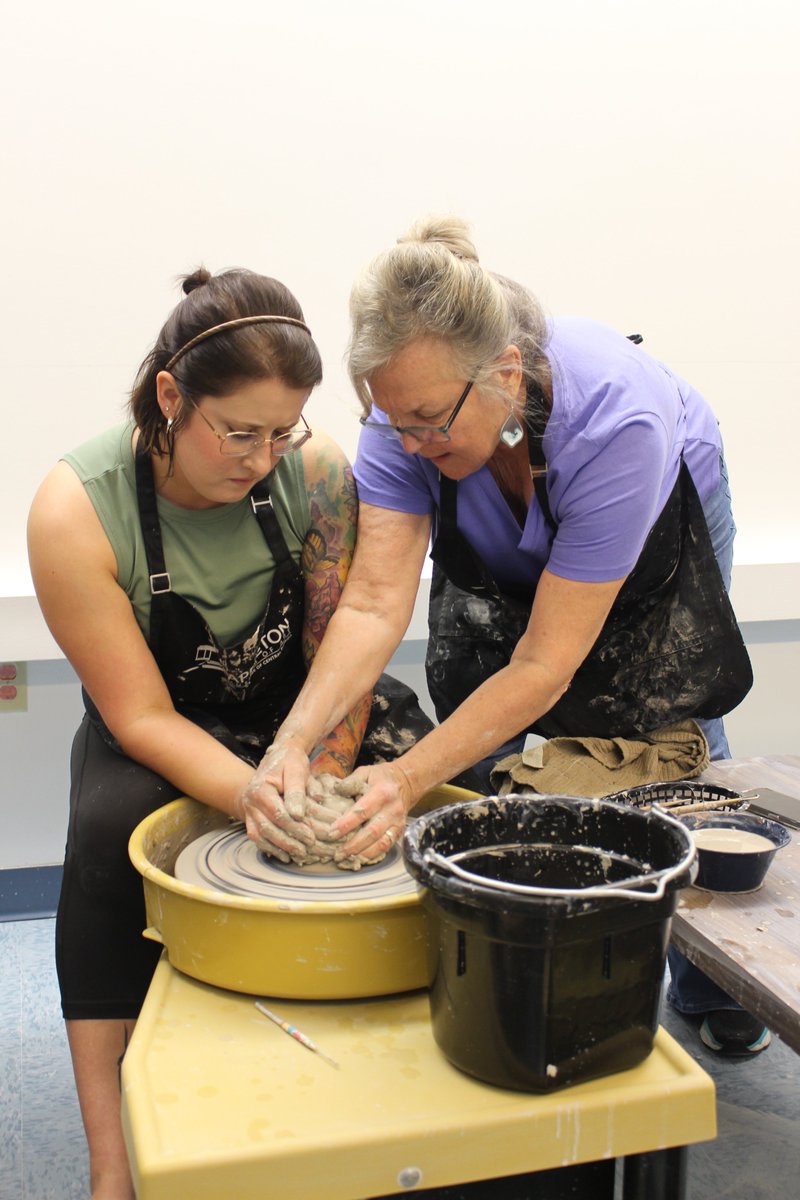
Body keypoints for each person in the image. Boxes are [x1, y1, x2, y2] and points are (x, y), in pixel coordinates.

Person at [239, 215, 763, 1059]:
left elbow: (548, 664)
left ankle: (713, 982)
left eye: (425, 422)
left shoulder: (615, 422)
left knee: (666, 723)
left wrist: (404, 781)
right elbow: (373, 605)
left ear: (505, 376)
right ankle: (523, 944)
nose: (405, 442)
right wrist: (291, 744)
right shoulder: (407, 417)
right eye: (389, 421)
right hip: (512, 524)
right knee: (492, 745)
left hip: (658, 522)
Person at [27, 267, 432, 1200]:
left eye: (280, 430)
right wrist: (251, 793)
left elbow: (345, 650)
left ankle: (392, 1092)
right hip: (167, 721)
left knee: (430, 808)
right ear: (172, 396)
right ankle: (111, 1160)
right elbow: (139, 716)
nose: (262, 457)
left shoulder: (318, 470)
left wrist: (318, 782)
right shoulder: (76, 509)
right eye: (237, 431)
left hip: (304, 708)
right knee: (105, 844)